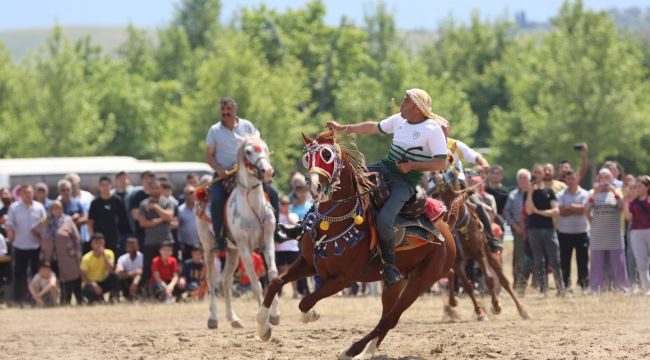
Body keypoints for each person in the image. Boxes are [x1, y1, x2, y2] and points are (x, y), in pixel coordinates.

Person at [326, 88, 448, 286]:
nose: (401, 103)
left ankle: (390, 266)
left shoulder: (432, 129)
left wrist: (412, 166)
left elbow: (441, 164)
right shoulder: (399, 120)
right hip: (383, 168)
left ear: (417, 107)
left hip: (405, 182)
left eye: (405, 100)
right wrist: (342, 128)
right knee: (344, 181)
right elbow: (372, 127)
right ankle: (307, 226)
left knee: (384, 219)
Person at [204, 97, 282, 251]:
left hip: (249, 172)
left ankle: (276, 230)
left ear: (235, 109)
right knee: (217, 201)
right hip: (225, 174)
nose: (225, 112)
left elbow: (257, 146)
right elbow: (209, 155)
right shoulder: (214, 130)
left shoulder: (248, 126)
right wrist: (219, 170)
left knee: (273, 193)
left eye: (229, 109)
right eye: (223, 110)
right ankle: (220, 238)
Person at [586, 168, 629, 293]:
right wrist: (594, 193)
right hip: (598, 235)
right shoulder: (593, 194)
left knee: (618, 263)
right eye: (602, 177)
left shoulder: (617, 192)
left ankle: (622, 288)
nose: (604, 180)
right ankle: (595, 288)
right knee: (596, 264)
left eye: (607, 177)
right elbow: (586, 209)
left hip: (614, 234)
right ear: (598, 179)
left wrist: (614, 191)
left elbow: (622, 205)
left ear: (611, 179)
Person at [525, 164, 565, 298]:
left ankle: (561, 288)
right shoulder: (529, 192)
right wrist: (530, 193)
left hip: (549, 230)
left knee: (555, 259)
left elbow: (556, 211)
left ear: (542, 174)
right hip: (533, 230)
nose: (537, 175)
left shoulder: (549, 191)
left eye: (539, 172)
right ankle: (543, 290)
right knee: (539, 261)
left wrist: (539, 212)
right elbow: (529, 210)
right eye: (535, 172)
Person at [32, 200, 83, 305]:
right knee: (53, 277)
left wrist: (78, 252)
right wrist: (42, 243)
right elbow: (33, 230)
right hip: (50, 256)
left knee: (68, 277)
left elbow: (76, 238)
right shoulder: (45, 222)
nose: (56, 210)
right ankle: (52, 301)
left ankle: (66, 300)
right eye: (54, 208)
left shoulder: (67, 220)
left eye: (58, 208)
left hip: (66, 255)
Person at [6, 184, 47, 305]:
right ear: (21, 194)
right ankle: (19, 300)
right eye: (25, 193)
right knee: (19, 274)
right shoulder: (14, 208)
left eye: (29, 192)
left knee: (36, 273)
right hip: (20, 246)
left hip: (35, 246)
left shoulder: (39, 207)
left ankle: (35, 299)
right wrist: (10, 231)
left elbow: (45, 224)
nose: (28, 195)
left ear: (32, 193)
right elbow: (9, 223)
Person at [557, 170, 590, 291]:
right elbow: (560, 212)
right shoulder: (560, 195)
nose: (571, 181)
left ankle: (584, 284)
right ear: (565, 180)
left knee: (583, 260)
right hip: (565, 233)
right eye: (568, 179)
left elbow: (584, 210)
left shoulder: (585, 193)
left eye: (573, 178)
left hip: (582, 232)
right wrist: (577, 208)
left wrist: (569, 206)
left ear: (577, 179)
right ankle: (565, 284)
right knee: (565, 260)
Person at [138, 178, 175, 285]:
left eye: (157, 188)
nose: (155, 190)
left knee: (168, 269)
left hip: (166, 241)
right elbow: (143, 223)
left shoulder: (168, 201)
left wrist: (155, 207)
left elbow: (169, 216)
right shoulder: (143, 204)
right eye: (153, 188)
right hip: (150, 242)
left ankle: (169, 290)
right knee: (149, 269)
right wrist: (162, 219)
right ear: (149, 189)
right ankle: (149, 292)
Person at [503, 169, 532, 294]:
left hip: (533, 230)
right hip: (518, 231)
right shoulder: (513, 195)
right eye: (520, 178)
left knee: (536, 258)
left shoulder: (534, 193)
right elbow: (507, 212)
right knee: (519, 258)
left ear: (529, 180)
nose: (522, 180)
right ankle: (518, 285)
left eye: (525, 178)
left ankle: (537, 283)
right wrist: (515, 226)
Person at [88, 176, 129, 255]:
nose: (105, 187)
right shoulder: (95, 203)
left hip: (114, 236)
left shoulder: (117, 200)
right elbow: (90, 222)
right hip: (99, 237)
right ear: (99, 187)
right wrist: (92, 237)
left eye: (107, 185)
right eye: (103, 185)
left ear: (111, 186)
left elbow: (122, 219)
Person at [623, 175, 650, 295]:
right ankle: (647, 288)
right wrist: (625, 201)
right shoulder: (633, 203)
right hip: (636, 233)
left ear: (647, 187)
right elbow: (629, 217)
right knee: (641, 262)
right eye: (636, 186)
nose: (637, 189)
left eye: (640, 186)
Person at [80, 233, 119, 304]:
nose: (98, 245)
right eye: (96, 243)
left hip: (103, 282)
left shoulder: (109, 253)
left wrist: (104, 256)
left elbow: (110, 269)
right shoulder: (86, 258)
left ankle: (113, 298)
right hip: (91, 283)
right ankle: (97, 299)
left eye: (101, 243)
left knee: (114, 276)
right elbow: (84, 278)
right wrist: (94, 285)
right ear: (92, 244)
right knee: (89, 292)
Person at [277, 195, 301, 298]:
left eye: (287, 204)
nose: (285, 206)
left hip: (292, 248)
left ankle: (295, 291)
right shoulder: (276, 216)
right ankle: (279, 291)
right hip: (279, 248)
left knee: (293, 272)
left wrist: (287, 216)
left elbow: (294, 227)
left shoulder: (294, 215)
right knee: (281, 272)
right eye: (283, 204)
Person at [58, 179, 88, 253]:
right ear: (59, 191)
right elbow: (54, 221)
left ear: (71, 190)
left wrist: (76, 221)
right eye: (63, 190)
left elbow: (85, 218)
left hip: (76, 240)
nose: (66, 192)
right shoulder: (57, 205)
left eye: (68, 189)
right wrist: (71, 219)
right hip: (61, 241)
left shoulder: (77, 203)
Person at [63, 173, 94, 246]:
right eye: (68, 181)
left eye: (72, 181)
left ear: (78, 183)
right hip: (69, 237)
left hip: (87, 235)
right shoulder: (61, 198)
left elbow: (92, 215)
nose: (70, 184)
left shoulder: (88, 196)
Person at [111, 171, 136, 253]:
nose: (123, 181)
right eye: (120, 179)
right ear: (116, 181)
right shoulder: (111, 195)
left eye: (125, 179)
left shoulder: (133, 193)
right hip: (117, 233)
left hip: (132, 231)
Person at [129, 171, 156, 246]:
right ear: (142, 180)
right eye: (146, 178)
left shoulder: (158, 195)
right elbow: (135, 216)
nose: (148, 181)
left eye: (150, 178)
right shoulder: (136, 196)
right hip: (141, 234)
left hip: (158, 234)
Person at [177, 186, 201, 261]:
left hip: (200, 242)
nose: (189, 196)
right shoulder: (180, 210)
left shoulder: (200, 208)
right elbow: (178, 227)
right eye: (187, 194)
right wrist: (180, 242)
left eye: (191, 193)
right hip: (186, 244)